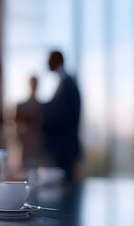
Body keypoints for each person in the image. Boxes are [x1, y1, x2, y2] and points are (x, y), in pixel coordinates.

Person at [42, 50, 82, 182]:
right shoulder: (65, 84)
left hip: (65, 149)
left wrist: (40, 123)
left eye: (49, 59)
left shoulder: (68, 85)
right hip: (64, 147)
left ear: (57, 60)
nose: (47, 63)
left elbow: (63, 117)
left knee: (66, 190)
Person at [15, 76, 47, 168]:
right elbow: (17, 127)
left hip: (39, 147)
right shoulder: (21, 106)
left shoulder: (43, 106)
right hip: (25, 146)